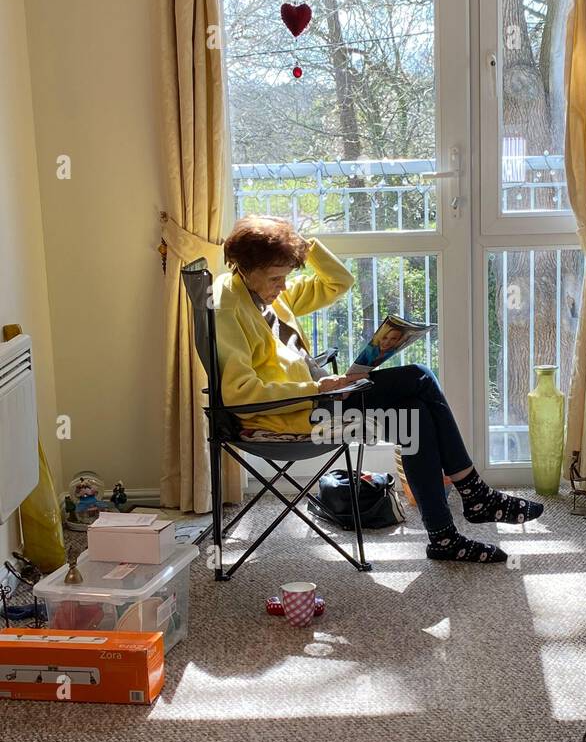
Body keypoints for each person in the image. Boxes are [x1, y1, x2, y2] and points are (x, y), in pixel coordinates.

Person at [213, 216, 544, 565]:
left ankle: (443, 537)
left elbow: (339, 282)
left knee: (414, 414)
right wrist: (316, 388)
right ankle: (475, 493)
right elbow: (239, 394)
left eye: (285, 277)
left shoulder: (267, 293)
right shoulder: (227, 305)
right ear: (245, 267)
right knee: (419, 375)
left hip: (319, 398)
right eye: (276, 278)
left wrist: (298, 245)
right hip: (295, 411)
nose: (283, 287)